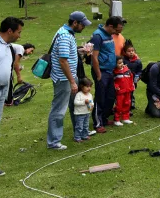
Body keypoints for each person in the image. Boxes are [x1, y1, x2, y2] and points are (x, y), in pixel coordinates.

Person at [47, 11, 91, 150]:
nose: (84, 27)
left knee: (75, 106)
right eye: (82, 24)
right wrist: (72, 81)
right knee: (59, 110)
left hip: (69, 77)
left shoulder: (66, 32)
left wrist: (79, 52)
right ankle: (54, 142)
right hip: (64, 79)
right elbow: (63, 61)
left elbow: (66, 54)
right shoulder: (65, 36)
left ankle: (80, 132)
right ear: (75, 23)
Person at [0, 17, 24, 176]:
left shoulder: (8, 46)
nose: (19, 36)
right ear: (10, 31)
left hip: (2, 90)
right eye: (18, 32)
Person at [90, 16, 124, 133]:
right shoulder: (97, 36)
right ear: (110, 26)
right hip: (101, 71)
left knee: (110, 96)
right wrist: (98, 74)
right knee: (100, 97)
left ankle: (104, 118)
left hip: (110, 71)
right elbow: (94, 56)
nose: (117, 33)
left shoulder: (109, 35)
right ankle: (97, 122)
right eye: (116, 30)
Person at [113, 56, 135, 126]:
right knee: (119, 105)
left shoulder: (127, 70)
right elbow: (113, 81)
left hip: (127, 91)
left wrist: (132, 86)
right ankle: (117, 119)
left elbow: (131, 78)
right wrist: (116, 86)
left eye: (121, 62)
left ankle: (125, 118)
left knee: (127, 104)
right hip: (120, 92)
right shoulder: (115, 72)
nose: (121, 64)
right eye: (119, 63)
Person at [122, 40, 142, 114]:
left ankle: (129, 107)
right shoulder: (123, 60)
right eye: (129, 51)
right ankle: (123, 107)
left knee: (130, 94)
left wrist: (138, 75)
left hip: (133, 82)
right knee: (124, 95)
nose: (131, 52)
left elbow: (140, 70)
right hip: (124, 81)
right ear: (125, 52)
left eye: (132, 51)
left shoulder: (138, 61)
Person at [73, 78, 94, 143]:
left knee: (86, 125)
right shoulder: (79, 94)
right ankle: (77, 137)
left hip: (87, 113)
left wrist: (92, 105)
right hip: (79, 114)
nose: (89, 88)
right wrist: (84, 102)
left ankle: (84, 135)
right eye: (87, 86)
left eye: (90, 86)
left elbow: (91, 102)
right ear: (82, 87)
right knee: (79, 126)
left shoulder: (90, 95)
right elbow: (75, 102)